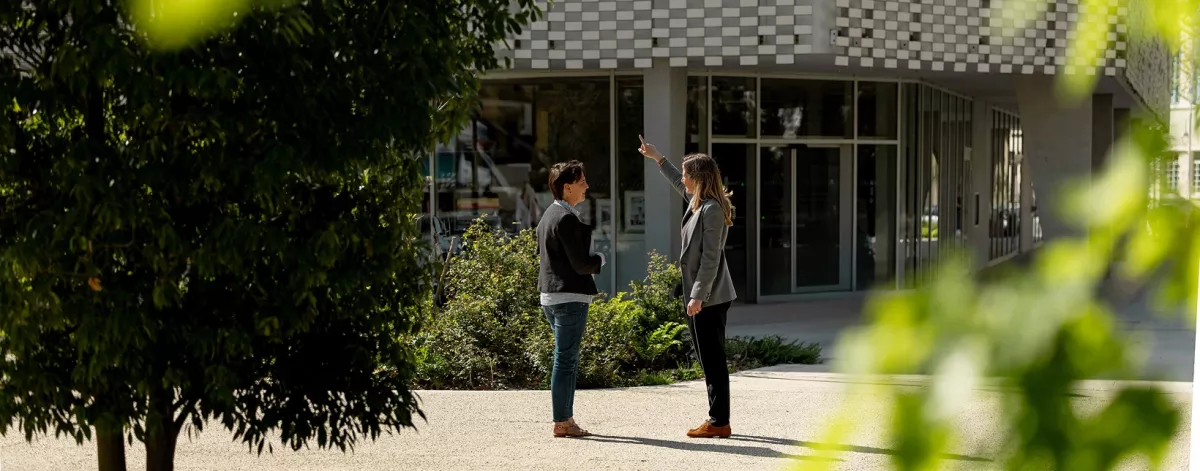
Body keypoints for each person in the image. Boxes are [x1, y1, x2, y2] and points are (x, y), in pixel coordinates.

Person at [638, 136, 738, 439]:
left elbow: (711, 259)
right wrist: (657, 158)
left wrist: (697, 296)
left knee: (712, 359)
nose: (683, 179)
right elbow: (676, 184)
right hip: (703, 295)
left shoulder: (712, 210)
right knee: (709, 357)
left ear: (699, 178)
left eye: (686, 174)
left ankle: (719, 421)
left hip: (709, 296)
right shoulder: (700, 203)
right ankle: (718, 419)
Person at [537, 160, 605, 438]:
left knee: (565, 359)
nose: (587, 186)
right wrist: (599, 259)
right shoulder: (564, 218)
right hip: (568, 298)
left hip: (553, 297)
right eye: (582, 182)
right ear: (567, 188)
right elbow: (580, 263)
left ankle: (565, 419)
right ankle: (562, 421)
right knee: (565, 361)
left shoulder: (550, 215)